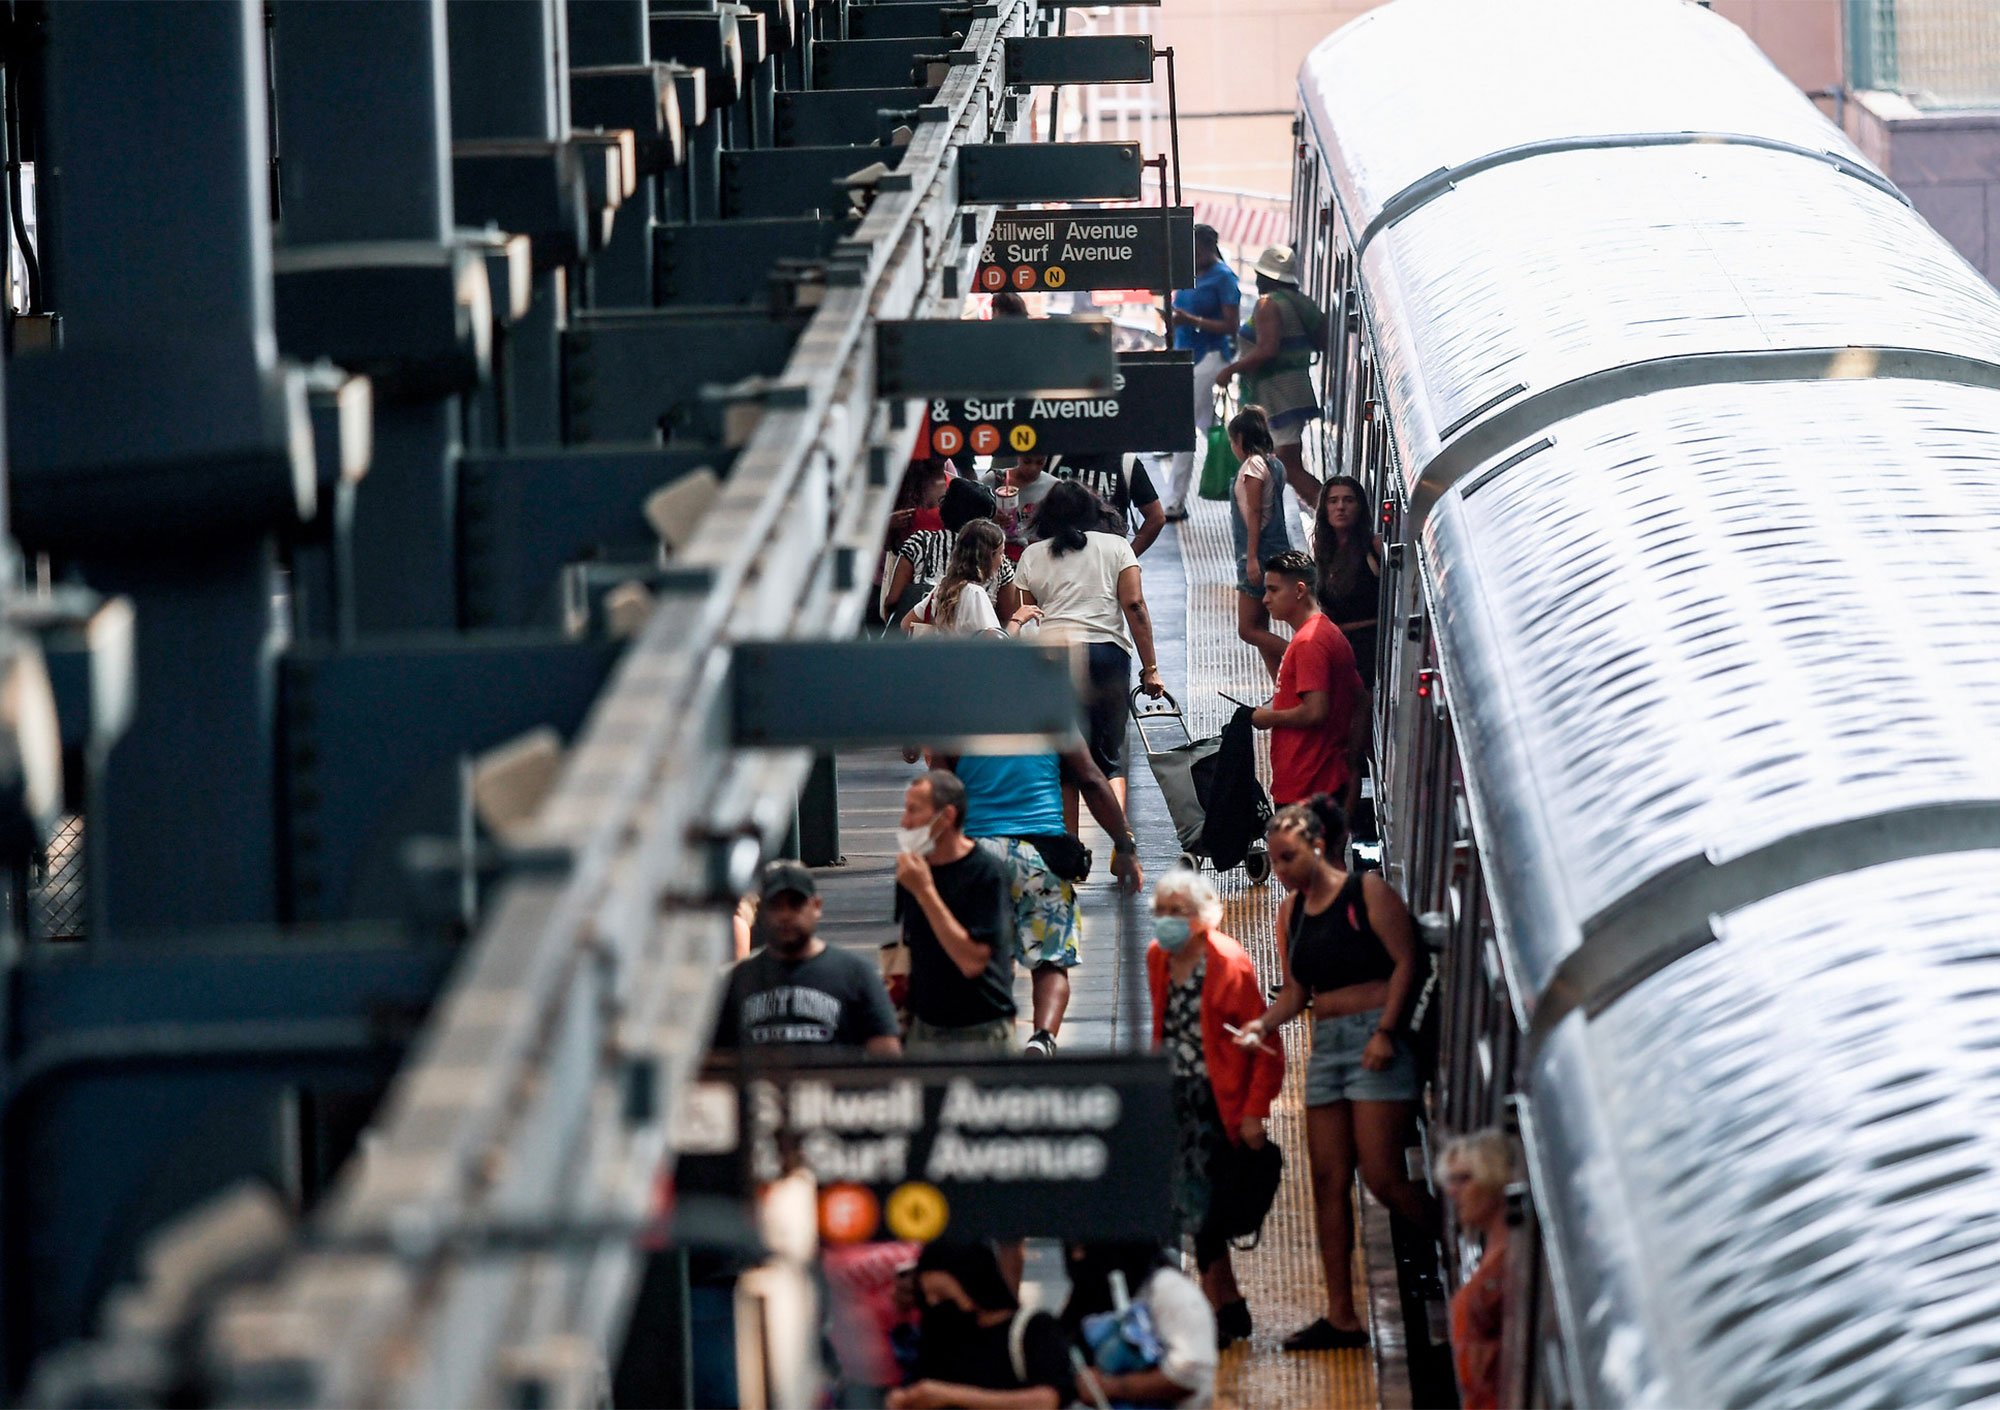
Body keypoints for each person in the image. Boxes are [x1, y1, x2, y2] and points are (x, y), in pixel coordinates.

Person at [1232, 796, 1438, 1352]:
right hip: (1327, 1045)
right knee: (1327, 1181)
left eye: (1288, 858)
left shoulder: (1364, 893)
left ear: (1317, 846)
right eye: (1274, 861)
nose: (1280, 871)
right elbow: (1297, 991)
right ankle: (1341, 1315)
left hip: (1375, 1039)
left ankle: (1449, 1236)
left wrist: (1386, 1032)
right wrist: (1261, 1024)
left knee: (1382, 1177)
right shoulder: (1290, 913)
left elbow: (1406, 963)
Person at [1146, 868, 1282, 1350]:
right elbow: (1166, 1028)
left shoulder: (1231, 965)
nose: (1167, 922)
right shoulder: (1157, 958)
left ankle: (1218, 1306)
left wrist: (1253, 1112)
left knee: (1205, 1209)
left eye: (1177, 913)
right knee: (1194, 1208)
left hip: (1219, 1103)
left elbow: (1266, 1047)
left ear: (1202, 918)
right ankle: (1225, 1303)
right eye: (1162, 912)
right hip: (1178, 1098)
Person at [941, 739, 1142, 1056]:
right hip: (1041, 856)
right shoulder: (1051, 713)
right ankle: (1042, 1038)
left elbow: (940, 793)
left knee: (989, 958)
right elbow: (1090, 779)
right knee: (1051, 961)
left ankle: (995, 1033)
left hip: (978, 857)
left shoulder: (957, 717)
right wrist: (1125, 845)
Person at [1013, 480, 1166, 832]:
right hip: (1106, 654)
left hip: (1051, 659)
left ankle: (1072, 850)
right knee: (1108, 758)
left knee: (1065, 761)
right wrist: (1151, 668)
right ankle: (1121, 834)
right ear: (1093, 512)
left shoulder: (1032, 555)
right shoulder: (1117, 548)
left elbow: (1020, 616)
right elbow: (1134, 605)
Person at [711, 862, 903, 1055]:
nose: (785, 915)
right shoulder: (738, 981)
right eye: (776, 906)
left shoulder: (856, 975)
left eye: (795, 904)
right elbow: (715, 1059)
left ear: (816, 906)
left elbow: (886, 1056)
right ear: (761, 912)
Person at [893, 770, 1017, 1052]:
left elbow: (972, 961)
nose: (905, 821)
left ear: (946, 816)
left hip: (980, 1031)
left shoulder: (985, 873)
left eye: (914, 810)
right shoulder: (913, 870)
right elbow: (908, 944)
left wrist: (925, 892)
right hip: (924, 1028)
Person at [1249, 550, 1368, 818]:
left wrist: (1266, 717)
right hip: (1323, 778)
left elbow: (1315, 711)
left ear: (1300, 590)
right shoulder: (1328, 632)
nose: (1265, 599)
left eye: (1273, 590)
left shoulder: (1309, 643)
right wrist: (1350, 761)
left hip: (1306, 783)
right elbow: (1360, 699)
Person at [888, 1242, 1075, 1410]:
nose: (935, 1305)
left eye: (943, 1296)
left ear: (972, 1284)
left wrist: (950, 1395)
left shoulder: (1034, 1329)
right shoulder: (943, 1337)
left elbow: (1046, 1400)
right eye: (928, 1297)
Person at [1215, 246, 1324, 512]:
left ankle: (1328, 515)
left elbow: (1268, 348)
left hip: (1278, 396)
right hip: (1293, 390)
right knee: (1284, 462)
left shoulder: (1268, 304)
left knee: (1289, 466)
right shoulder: (1297, 300)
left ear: (1266, 276)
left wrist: (1231, 369)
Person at [1061, 1241, 1217, 1408]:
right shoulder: (1086, 1298)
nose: (1077, 1256)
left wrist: (1109, 1387)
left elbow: (1190, 1373)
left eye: (1083, 1247)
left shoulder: (1169, 1290)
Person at [1161, 225, 1240, 520]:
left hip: (1209, 357)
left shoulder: (1224, 278)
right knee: (1206, 426)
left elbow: (1231, 326)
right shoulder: (1188, 275)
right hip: (1187, 356)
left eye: (1194, 249)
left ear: (1208, 247)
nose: (1190, 256)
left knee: (1185, 428)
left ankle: (1174, 501)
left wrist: (1189, 319)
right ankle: (1244, 471)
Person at [1440, 1130, 1515, 1410]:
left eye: (1465, 1179)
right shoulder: (1497, 1255)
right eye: (1451, 1180)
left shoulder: (1504, 1268)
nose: (1452, 1191)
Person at [887, 477, 1023, 627]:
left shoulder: (920, 542)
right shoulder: (996, 556)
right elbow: (1006, 615)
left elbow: (893, 601)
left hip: (922, 641)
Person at [1227, 406, 1295, 680]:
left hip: (1259, 553)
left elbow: (1254, 513)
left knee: (1248, 629)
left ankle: (1297, 654)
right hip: (1276, 549)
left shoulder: (1253, 466)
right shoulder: (1274, 463)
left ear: (1241, 439)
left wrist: (1252, 556)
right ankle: (1280, 689)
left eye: (1233, 441)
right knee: (1261, 626)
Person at [906, 520, 1040, 638]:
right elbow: (995, 647)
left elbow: (906, 624)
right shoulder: (975, 594)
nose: (1003, 559)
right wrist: (1018, 619)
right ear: (988, 557)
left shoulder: (942, 588)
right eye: (1001, 553)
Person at [1312, 476, 1382, 690]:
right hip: (1333, 648)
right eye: (1333, 501)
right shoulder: (1322, 548)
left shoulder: (1374, 547)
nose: (1340, 507)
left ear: (1360, 507)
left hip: (1366, 650)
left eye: (1348, 500)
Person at [1050, 451, 1166, 557]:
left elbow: (1156, 517)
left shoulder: (1126, 462)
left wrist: (1126, 559)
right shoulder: (1055, 456)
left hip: (1096, 559)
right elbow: (1156, 517)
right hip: (1063, 554)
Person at [984, 453, 1059, 560]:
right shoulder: (994, 480)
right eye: (1027, 461)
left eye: (1040, 462)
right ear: (1018, 456)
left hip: (1036, 558)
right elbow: (970, 518)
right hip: (996, 555)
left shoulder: (1054, 487)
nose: (1033, 468)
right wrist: (991, 519)